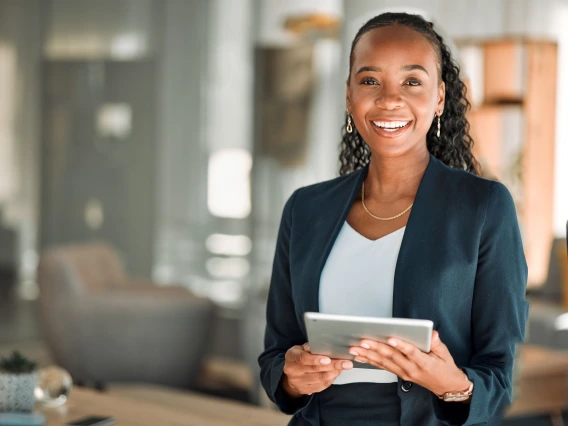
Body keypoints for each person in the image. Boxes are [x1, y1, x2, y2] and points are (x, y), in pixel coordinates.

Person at [258, 12, 529, 426]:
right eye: (369, 81)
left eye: (412, 81)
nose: (389, 99)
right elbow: (276, 355)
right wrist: (293, 378)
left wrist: (450, 384)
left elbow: (502, 377)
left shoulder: (484, 207)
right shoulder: (305, 209)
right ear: (349, 96)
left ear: (439, 97)